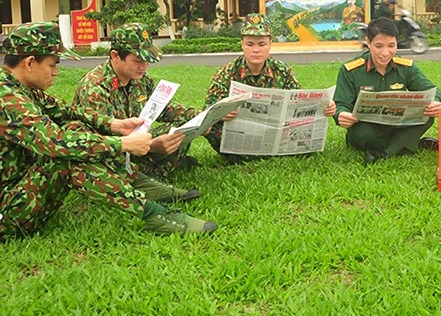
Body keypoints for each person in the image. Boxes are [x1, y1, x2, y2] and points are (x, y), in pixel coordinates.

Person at [0, 22, 216, 239]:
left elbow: (69, 112)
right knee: (64, 155)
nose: (56, 72)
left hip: (21, 194)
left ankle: (148, 196)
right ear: (29, 63)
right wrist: (125, 143)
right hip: (6, 216)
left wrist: (114, 124)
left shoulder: (24, 90)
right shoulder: (7, 99)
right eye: (52, 65)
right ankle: (153, 212)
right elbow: (56, 142)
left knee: (76, 130)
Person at [73, 23, 201, 202]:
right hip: (108, 153)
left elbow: (166, 110)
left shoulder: (142, 80)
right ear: (115, 56)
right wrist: (152, 145)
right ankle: (151, 178)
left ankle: (153, 174)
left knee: (180, 129)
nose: (144, 66)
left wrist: (202, 116)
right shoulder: (95, 87)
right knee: (113, 166)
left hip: (137, 146)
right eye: (138, 61)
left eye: (147, 60)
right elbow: (105, 144)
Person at [204, 13, 336, 162]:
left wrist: (325, 106)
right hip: (240, 135)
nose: (256, 50)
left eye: (261, 44)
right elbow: (207, 110)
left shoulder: (282, 70)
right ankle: (244, 155)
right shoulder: (226, 73)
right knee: (212, 130)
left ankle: (262, 154)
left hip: (274, 132)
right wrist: (220, 113)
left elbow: (300, 103)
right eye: (250, 44)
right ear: (242, 44)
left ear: (270, 44)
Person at [333, 18, 441, 164]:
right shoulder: (350, 70)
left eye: (391, 45)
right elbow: (340, 104)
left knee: (428, 114)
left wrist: (435, 102)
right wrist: (341, 114)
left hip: (398, 125)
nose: (385, 52)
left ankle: (387, 152)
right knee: (364, 135)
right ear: (368, 42)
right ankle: (406, 143)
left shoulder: (406, 67)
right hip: (368, 128)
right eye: (379, 46)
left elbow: (432, 90)